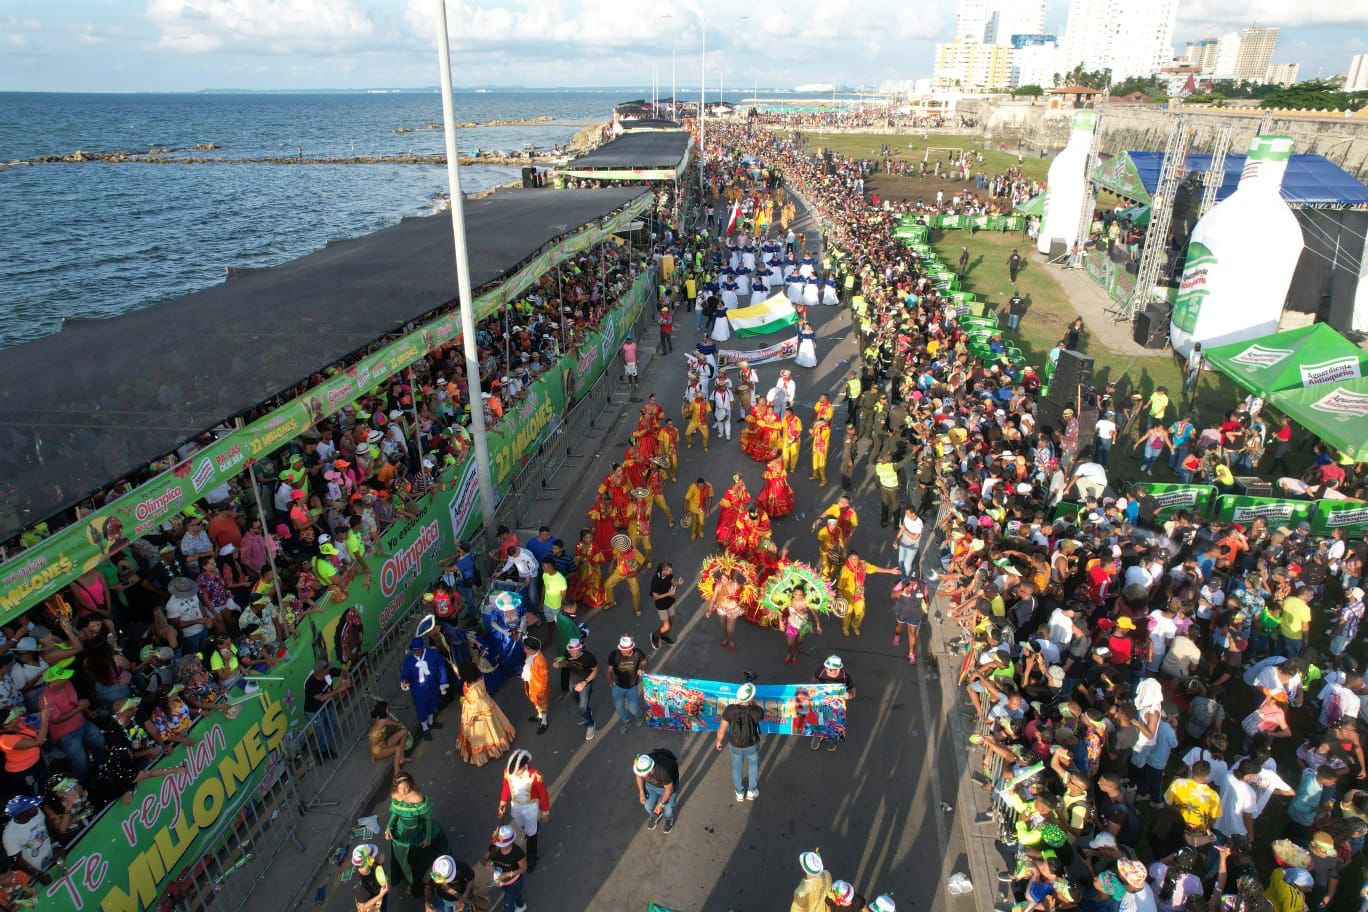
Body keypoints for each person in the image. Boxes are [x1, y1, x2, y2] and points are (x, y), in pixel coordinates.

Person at [384, 773, 448, 899]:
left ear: (411, 786)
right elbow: (395, 814)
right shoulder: (395, 795)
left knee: (417, 861)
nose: (403, 792)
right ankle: (403, 875)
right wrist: (388, 827)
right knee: (402, 858)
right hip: (401, 831)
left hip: (417, 831)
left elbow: (427, 819)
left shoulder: (418, 798)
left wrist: (428, 837)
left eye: (406, 788)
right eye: (400, 789)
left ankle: (418, 880)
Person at [498, 750, 549, 873]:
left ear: (525, 765)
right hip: (516, 806)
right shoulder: (508, 773)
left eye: (517, 770)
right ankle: (532, 828)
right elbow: (506, 787)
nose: (514, 773)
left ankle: (532, 856)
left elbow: (543, 795)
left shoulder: (535, 776)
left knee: (531, 834)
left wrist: (545, 812)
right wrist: (502, 803)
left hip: (530, 807)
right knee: (521, 824)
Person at [456, 664, 515, 766]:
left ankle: (486, 753)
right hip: (487, 704)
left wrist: (471, 719)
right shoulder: (480, 679)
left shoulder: (473, 689)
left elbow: (476, 707)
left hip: (477, 711)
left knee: (481, 734)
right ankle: (498, 746)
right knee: (493, 727)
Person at [715, 682, 763, 802]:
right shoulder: (756, 711)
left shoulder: (730, 710)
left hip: (734, 744)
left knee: (736, 767)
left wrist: (719, 741)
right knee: (753, 765)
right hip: (751, 744)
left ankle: (740, 792)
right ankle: (752, 791)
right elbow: (760, 715)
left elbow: (721, 729)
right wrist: (753, 703)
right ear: (751, 698)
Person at [837, 551, 897, 638]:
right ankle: (845, 627)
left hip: (859, 593)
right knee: (847, 613)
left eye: (857, 559)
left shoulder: (863, 565)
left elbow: (875, 569)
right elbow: (841, 585)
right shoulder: (845, 570)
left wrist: (890, 571)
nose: (855, 561)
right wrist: (840, 596)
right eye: (853, 559)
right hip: (848, 594)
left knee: (861, 613)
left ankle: (855, 625)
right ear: (849, 559)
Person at [400, 638, 449, 742]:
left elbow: (441, 668)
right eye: (414, 650)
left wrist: (443, 682)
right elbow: (405, 675)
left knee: (433, 704)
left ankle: (431, 723)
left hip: (433, 685)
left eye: (418, 650)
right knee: (421, 709)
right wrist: (404, 681)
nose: (416, 652)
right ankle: (425, 728)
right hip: (418, 690)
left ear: (423, 648)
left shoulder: (433, 654)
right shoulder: (408, 662)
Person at [812, 655, 855, 751]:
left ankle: (833, 737)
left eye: (830, 669)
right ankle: (818, 735)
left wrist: (849, 695)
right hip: (822, 701)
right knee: (819, 719)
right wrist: (813, 688)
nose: (827, 670)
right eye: (826, 667)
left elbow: (853, 691)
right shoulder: (821, 671)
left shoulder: (845, 677)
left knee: (834, 722)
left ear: (838, 669)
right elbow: (813, 681)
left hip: (836, 706)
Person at [606, 635, 647, 734]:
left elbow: (644, 661)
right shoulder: (614, 655)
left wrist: (641, 669)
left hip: (632, 686)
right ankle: (626, 721)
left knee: (633, 708)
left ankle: (639, 716)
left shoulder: (638, 653)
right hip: (617, 686)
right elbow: (609, 670)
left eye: (624, 650)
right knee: (619, 708)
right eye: (620, 649)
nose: (622, 651)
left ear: (631, 648)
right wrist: (610, 681)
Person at [633, 749, 680, 834]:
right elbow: (638, 776)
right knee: (648, 806)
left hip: (667, 788)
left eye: (644, 773)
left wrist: (660, 804)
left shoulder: (664, 771)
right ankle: (656, 816)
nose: (641, 775)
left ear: (651, 769)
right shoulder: (640, 764)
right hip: (651, 786)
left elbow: (669, 791)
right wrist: (641, 792)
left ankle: (668, 819)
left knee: (668, 809)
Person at [560, 638, 598, 741]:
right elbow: (563, 662)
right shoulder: (568, 654)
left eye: (573, 651)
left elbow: (595, 671)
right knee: (578, 701)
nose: (570, 652)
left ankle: (590, 724)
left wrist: (584, 682)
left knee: (582, 707)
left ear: (579, 649)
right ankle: (587, 713)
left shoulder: (588, 657)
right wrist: (558, 664)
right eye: (569, 650)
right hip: (572, 683)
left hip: (585, 684)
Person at [368, 700, 413, 780]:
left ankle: (401, 758)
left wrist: (396, 728)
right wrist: (399, 724)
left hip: (383, 744)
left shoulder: (378, 718)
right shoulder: (383, 721)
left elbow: (385, 730)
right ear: (385, 710)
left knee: (404, 732)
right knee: (397, 748)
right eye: (388, 707)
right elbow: (398, 724)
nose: (390, 708)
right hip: (377, 751)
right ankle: (396, 773)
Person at [706, 566, 745, 651]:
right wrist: (709, 610)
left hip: (732, 609)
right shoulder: (719, 585)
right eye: (721, 578)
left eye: (724, 579)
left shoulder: (736, 585)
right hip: (721, 608)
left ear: (730, 580)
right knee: (723, 626)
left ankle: (731, 640)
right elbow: (713, 599)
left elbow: (742, 597)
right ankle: (726, 638)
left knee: (730, 629)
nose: (721, 581)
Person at [891, 574, 927, 664]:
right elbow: (892, 594)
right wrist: (902, 591)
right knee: (899, 626)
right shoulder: (903, 583)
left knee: (912, 633)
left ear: (918, 579)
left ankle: (911, 653)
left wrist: (927, 604)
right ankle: (897, 636)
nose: (912, 582)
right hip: (902, 610)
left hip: (915, 613)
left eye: (914, 580)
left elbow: (926, 597)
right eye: (911, 579)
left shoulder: (923, 586)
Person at [521, 636, 550, 735]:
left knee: (543, 705)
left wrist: (541, 693)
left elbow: (544, 679)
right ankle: (540, 715)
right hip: (532, 684)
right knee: (536, 703)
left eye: (525, 647)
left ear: (530, 649)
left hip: (538, 689)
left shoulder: (541, 661)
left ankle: (544, 722)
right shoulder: (531, 655)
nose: (524, 649)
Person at [350, 843, 389, 912]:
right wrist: (381, 895)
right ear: (368, 862)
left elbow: (375, 868)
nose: (374, 858)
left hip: (380, 892)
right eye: (372, 857)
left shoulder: (368, 866)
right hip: (375, 904)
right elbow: (363, 907)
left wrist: (379, 863)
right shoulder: (362, 886)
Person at [649, 562, 680, 650]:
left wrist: (677, 582)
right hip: (661, 605)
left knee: (671, 622)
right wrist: (668, 593)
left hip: (670, 602)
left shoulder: (669, 575)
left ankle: (663, 636)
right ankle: (654, 635)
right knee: (666, 626)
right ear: (663, 570)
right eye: (669, 571)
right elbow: (655, 597)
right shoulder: (655, 580)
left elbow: (673, 582)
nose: (671, 572)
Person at [621, 334, 638, 398]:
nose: (628, 340)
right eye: (627, 339)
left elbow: (636, 352)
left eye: (629, 339)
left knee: (635, 374)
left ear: (631, 340)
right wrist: (624, 361)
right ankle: (630, 384)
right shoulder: (624, 346)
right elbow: (623, 353)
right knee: (629, 374)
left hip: (633, 362)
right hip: (627, 363)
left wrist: (637, 361)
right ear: (626, 340)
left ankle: (636, 383)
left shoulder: (634, 345)